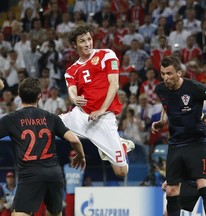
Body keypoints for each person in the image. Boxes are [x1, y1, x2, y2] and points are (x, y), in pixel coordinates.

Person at [151, 56, 206, 216]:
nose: (165, 77)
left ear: (179, 72)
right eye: (163, 73)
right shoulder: (160, 89)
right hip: (175, 144)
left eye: (169, 73)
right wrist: (162, 120)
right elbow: (167, 104)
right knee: (171, 190)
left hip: (197, 143)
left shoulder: (195, 88)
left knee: (203, 184)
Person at [0, 77, 86, 216]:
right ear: (40, 96)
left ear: (19, 95)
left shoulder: (11, 119)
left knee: (19, 214)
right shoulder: (51, 117)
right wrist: (81, 156)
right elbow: (74, 140)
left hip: (30, 175)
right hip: (53, 174)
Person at [61, 24, 134, 178]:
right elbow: (72, 91)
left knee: (121, 172)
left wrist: (101, 110)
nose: (87, 43)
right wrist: (75, 99)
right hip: (82, 116)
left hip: (104, 117)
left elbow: (114, 84)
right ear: (74, 45)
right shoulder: (71, 70)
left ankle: (122, 145)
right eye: (82, 41)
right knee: (49, 122)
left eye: (89, 39)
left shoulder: (107, 55)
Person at [63, 150, 84, 216]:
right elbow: (63, 181)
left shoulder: (82, 166)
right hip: (69, 194)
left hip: (80, 194)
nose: (73, 158)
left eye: (75, 156)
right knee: (69, 213)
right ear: (69, 157)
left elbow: (87, 180)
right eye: (72, 156)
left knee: (80, 212)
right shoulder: (65, 167)